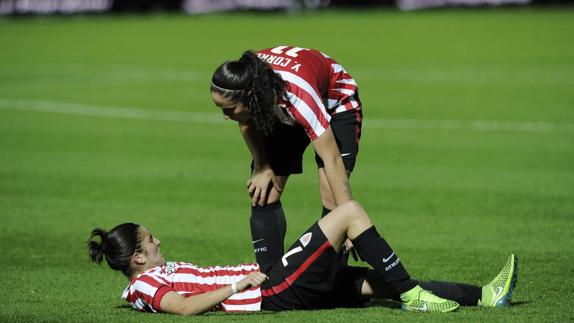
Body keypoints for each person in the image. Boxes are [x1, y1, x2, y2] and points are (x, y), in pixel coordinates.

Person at [88, 201, 518, 315]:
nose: (159, 240)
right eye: (150, 239)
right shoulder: (143, 285)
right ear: (138, 258)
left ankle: (484, 296)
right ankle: (415, 298)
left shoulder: (153, 273)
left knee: (374, 284)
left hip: (274, 283)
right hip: (272, 290)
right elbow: (183, 307)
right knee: (345, 214)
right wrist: (240, 284)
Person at [210, 46, 363, 262]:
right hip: (279, 105)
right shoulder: (246, 80)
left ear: (250, 99)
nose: (225, 117)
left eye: (228, 110)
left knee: (332, 197)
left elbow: (332, 158)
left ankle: (330, 284)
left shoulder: (299, 99)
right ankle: (271, 282)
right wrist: (262, 166)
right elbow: (246, 121)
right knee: (264, 190)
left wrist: (349, 220)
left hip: (334, 101)